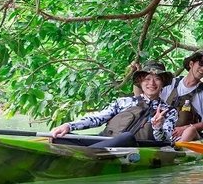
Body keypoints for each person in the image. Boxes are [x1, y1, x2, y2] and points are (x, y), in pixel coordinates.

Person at [49, 61, 178, 147]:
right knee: (59, 138)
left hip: (133, 147)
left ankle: (87, 153)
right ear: (140, 81)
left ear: (163, 83)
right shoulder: (124, 102)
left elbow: (164, 140)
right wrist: (69, 126)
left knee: (127, 137)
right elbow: (98, 118)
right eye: (147, 79)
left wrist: (157, 127)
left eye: (157, 79)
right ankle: (89, 152)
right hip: (105, 142)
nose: (152, 83)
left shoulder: (169, 111)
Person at [161, 49, 203, 142]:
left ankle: (177, 147)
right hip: (165, 132)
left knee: (190, 131)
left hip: (190, 137)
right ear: (191, 64)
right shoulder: (171, 83)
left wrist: (185, 128)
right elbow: (148, 96)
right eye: (201, 63)